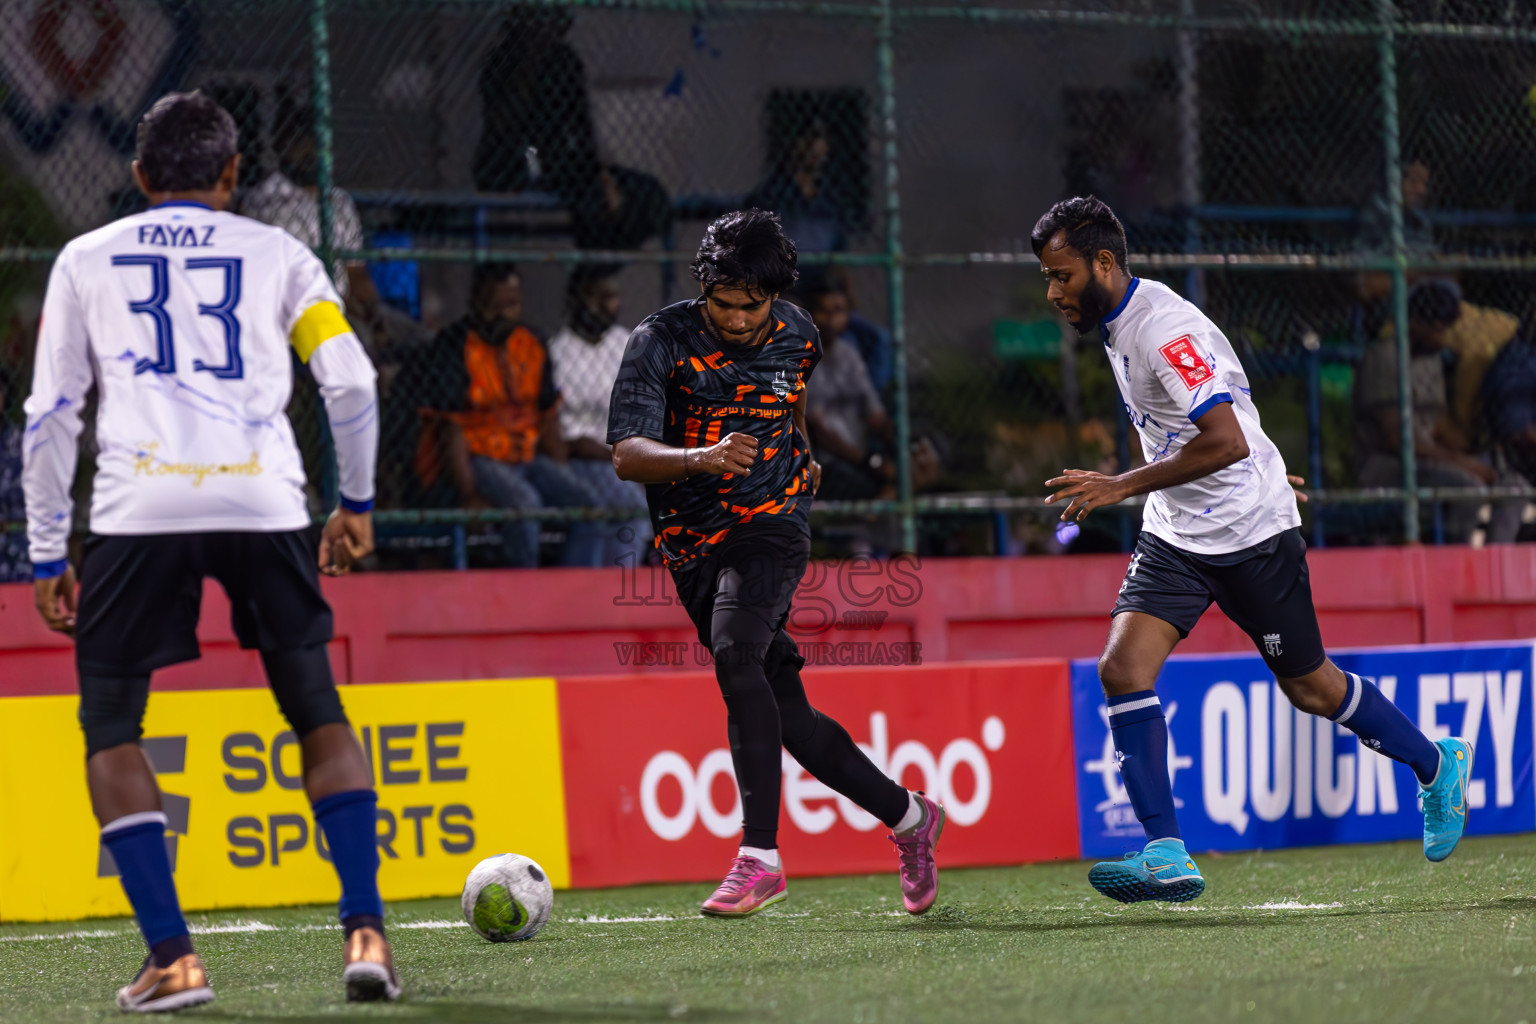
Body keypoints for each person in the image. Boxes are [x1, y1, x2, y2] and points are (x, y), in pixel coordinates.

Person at [23, 92, 397, 1008]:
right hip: (262, 497)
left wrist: (44, 553)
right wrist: (355, 503)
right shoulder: (281, 253)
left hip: (138, 505)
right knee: (315, 707)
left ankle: (174, 959)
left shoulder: (86, 260)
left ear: (141, 176)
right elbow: (348, 380)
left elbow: (51, 415)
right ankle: (368, 936)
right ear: (232, 178)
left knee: (111, 726)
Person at [1033, 196, 1472, 904]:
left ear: (1104, 264)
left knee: (1311, 687)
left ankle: (1435, 764)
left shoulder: (1160, 328)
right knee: (1121, 668)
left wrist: (1123, 485)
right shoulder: (1117, 324)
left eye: (1061, 276)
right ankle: (1166, 851)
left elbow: (1225, 438)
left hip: (1251, 534)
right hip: (1179, 532)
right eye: (1048, 278)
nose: (1053, 293)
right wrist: (1248, 461)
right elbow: (1227, 420)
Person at [607, 210, 942, 917]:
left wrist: (804, 455)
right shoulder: (659, 341)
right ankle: (911, 816)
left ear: (773, 295)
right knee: (786, 715)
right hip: (691, 543)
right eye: (721, 302)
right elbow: (626, 454)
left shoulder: (799, 332)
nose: (734, 317)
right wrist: (700, 456)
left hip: (773, 525)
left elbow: (788, 402)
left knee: (735, 651)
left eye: (749, 305)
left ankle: (759, 857)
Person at [407, 262, 602, 567]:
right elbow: (450, 427)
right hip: (480, 457)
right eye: (493, 305)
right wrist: (468, 492)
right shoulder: (454, 345)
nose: (502, 314)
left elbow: (547, 416)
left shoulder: (532, 343)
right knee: (526, 503)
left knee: (588, 504)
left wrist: (562, 471)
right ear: (475, 302)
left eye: (510, 305)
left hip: (527, 455)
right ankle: (526, 591)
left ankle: (573, 591)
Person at [472, 6, 669, 251]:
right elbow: (502, 126)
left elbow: (581, 128)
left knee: (644, 195)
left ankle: (593, 273)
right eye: (534, 24)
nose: (542, 32)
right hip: (509, 165)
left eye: (549, 24)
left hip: (558, 164)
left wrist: (598, 173)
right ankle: (501, 276)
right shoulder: (501, 61)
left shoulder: (564, 62)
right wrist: (526, 69)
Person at [1356, 279, 1522, 544]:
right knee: (1468, 487)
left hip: (1433, 460)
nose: (1445, 336)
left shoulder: (1430, 358)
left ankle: (1494, 564)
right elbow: (1397, 439)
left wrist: (1475, 453)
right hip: (1389, 467)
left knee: (1514, 486)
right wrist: (1461, 462)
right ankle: (1455, 563)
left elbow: (1439, 422)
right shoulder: (1384, 357)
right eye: (1438, 329)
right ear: (1416, 324)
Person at [546, 264, 651, 566]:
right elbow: (569, 440)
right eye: (601, 298)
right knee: (628, 505)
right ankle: (595, 591)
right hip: (583, 460)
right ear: (579, 299)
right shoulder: (559, 352)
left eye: (614, 297)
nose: (611, 306)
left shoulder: (625, 344)